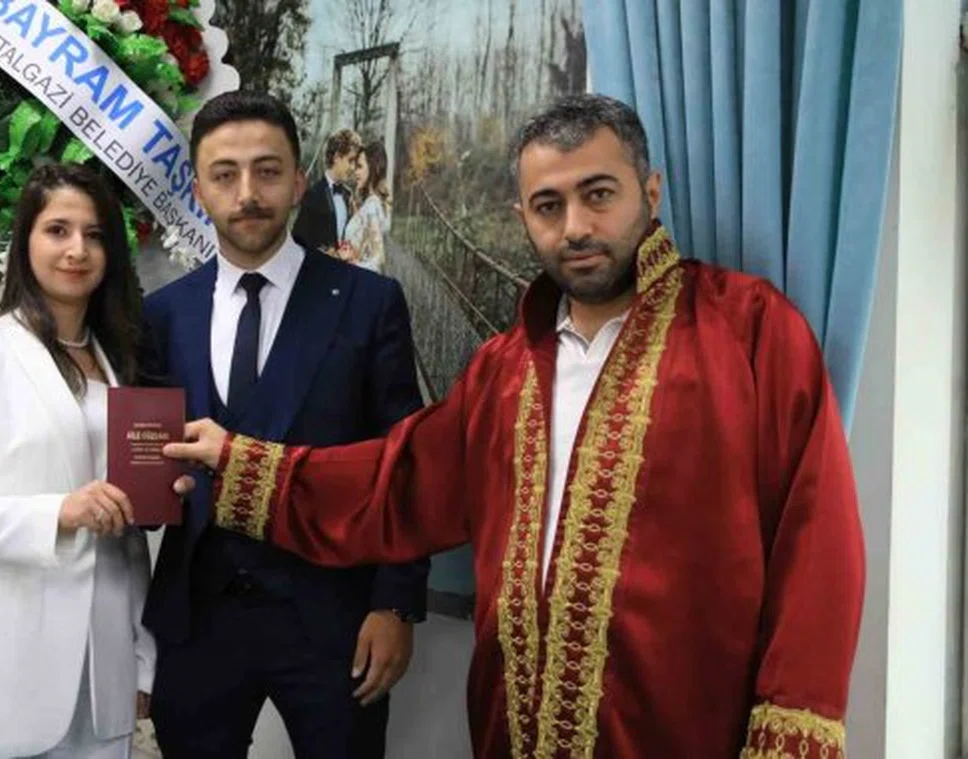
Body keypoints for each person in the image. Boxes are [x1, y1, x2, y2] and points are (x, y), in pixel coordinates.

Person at [163, 94, 866, 758]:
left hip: (685, 728)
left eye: (599, 194)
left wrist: (792, 724)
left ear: (649, 193)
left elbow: (816, 542)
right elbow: (397, 483)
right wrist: (241, 463)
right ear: (522, 215)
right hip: (520, 727)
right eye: (548, 206)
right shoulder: (506, 368)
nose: (576, 227)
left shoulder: (746, 331)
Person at [141, 91, 430, 759]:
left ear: (299, 182)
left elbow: (405, 463)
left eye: (267, 171)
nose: (247, 193)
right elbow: (154, 464)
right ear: (199, 190)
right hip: (197, 622)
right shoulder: (164, 314)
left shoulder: (368, 302)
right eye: (225, 174)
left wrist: (396, 604)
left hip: (336, 619)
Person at [0, 163, 186, 759]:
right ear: (25, 241)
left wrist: (141, 659)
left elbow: (126, 537)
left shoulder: (121, 368)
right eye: (57, 230)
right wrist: (58, 513)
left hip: (101, 678)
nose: (77, 249)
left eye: (95, 234)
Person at [292, 126, 361, 255]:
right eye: (350, 160)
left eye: (355, 162)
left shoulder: (348, 195)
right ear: (336, 157)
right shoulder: (313, 195)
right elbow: (298, 241)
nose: (353, 167)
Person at [341, 140, 391, 272]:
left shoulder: (372, 206)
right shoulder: (371, 204)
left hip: (359, 278)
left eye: (359, 166)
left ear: (373, 168)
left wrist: (351, 264)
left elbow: (378, 259)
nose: (355, 172)